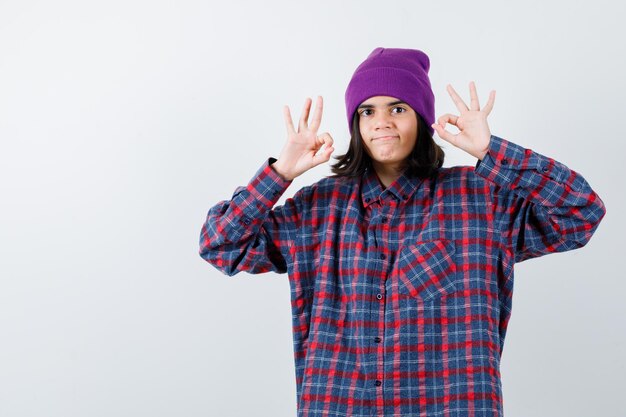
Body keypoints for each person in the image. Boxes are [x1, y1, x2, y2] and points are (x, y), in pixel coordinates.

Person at [198, 47, 606, 417]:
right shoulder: (318, 208)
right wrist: (279, 173)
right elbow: (220, 245)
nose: (382, 123)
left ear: (422, 118)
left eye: (398, 109)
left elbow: (581, 213)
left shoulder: (483, 199)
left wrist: (491, 150)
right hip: (338, 405)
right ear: (356, 123)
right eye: (368, 111)